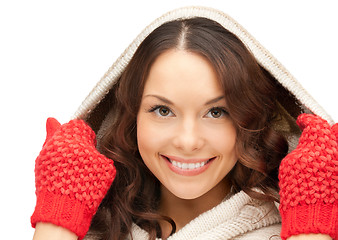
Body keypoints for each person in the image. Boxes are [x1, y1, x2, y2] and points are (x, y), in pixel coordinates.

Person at [31, 6, 337, 240]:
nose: (188, 141)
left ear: (251, 119)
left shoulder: (301, 231)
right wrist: (59, 215)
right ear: (130, 117)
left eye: (216, 112)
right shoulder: (82, 231)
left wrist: (313, 221)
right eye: (163, 110)